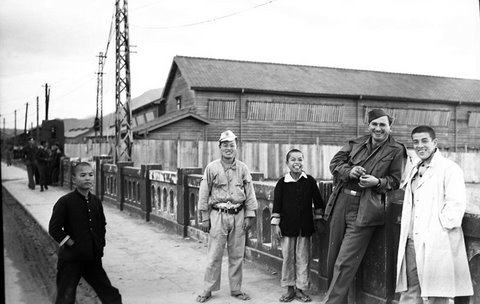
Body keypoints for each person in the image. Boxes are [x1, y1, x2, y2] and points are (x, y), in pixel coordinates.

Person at [322, 109, 407, 303]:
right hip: (341, 202)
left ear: (390, 126)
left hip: (366, 207)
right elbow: (335, 163)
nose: (378, 129)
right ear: (368, 126)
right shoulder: (355, 143)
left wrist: (376, 182)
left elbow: (395, 181)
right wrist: (349, 171)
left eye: (382, 125)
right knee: (333, 257)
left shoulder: (396, 149)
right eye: (374, 124)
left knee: (345, 262)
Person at [395, 126, 473, 303]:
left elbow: (455, 207)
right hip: (412, 240)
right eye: (416, 142)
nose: (420, 146)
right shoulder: (415, 169)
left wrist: (437, 230)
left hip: (438, 242)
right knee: (411, 289)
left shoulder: (449, 169)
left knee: (439, 295)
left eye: (424, 141)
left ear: (434, 143)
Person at [196, 130, 258, 303]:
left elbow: (250, 193)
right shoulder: (212, 168)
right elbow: (203, 193)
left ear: (236, 147)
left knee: (237, 255)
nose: (228, 148)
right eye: (225, 145)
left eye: (232, 145)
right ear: (220, 147)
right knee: (214, 255)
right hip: (218, 215)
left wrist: (249, 215)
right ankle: (208, 289)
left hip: (238, 214)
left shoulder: (243, 168)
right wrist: (205, 217)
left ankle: (236, 289)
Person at [48, 162, 122, 304]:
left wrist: (99, 245)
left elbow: (102, 225)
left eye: (90, 174)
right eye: (83, 175)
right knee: (65, 297)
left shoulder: (95, 201)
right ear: (74, 179)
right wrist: (71, 243)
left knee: (111, 295)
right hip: (71, 260)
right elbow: (54, 228)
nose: (87, 178)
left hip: (92, 259)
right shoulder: (65, 202)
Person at [271, 148, 326, 303]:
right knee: (288, 258)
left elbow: (319, 202)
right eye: (293, 159)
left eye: (300, 159)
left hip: (305, 228)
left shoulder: (309, 181)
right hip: (287, 228)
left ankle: (301, 289)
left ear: (303, 161)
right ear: (287, 163)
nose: (297, 162)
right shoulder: (282, 183)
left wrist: (318, 219)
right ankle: (289, 289)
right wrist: (276, 225)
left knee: (303, 259)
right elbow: (277, 206)